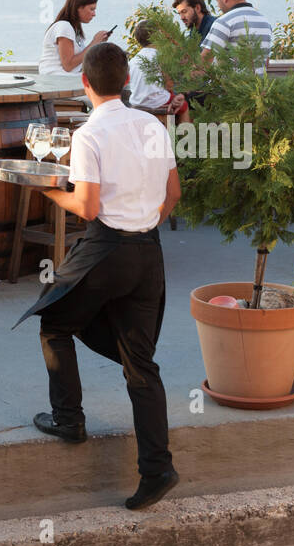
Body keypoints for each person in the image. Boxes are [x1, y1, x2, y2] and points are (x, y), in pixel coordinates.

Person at [15, 42, 183, 510]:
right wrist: (145, 220)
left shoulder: (89, 134)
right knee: (141, 364)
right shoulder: (151, 124)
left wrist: (47, 189)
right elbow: (173, 193)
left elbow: (86, 208)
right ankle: (157, 468)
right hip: (148, 252)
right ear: (127, 81)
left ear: (84, 82)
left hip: (106, 247)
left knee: (54, 323)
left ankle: (69, 420)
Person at [201, 0, 273, 72]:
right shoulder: (265, 22)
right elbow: (265, 63)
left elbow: (204, 62)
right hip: (258, 86)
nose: (218, 6)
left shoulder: (224, 21)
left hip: (230, 86)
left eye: (217, 0)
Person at [126, 22, 191, 124]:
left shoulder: (134, 59)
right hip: (156, 102)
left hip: (136, 102)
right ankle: (186, 137)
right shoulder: (160, 56)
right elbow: (169, 84)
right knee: (184, 106)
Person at [38, 0, 112, 76]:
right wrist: (94, 42)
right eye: (91, 9)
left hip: (66, 80)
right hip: (58, 81)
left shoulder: (74, 30)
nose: (94, 14)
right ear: (79, 7)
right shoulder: (64, 27)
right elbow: (68, 65)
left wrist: (98, 43)